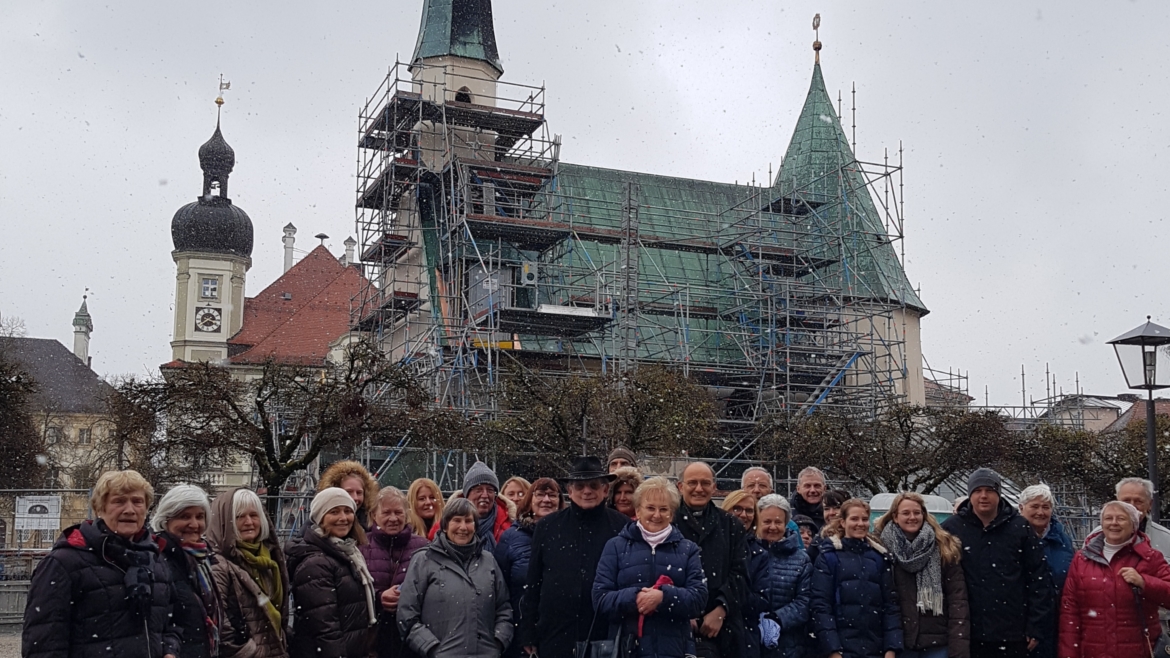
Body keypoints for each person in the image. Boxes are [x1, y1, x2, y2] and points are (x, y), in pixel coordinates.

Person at [23, 469, 180, 658]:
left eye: (137, 501)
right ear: (100, 508)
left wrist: (170, 650)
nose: (129, 510)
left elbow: (172, 621)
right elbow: (44, 643)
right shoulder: (64, 563)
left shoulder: (156, 559)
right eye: (119, 501)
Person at [521, 456, 630, 658]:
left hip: (604, 634)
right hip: (556, 634)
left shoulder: (622, 527)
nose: (586, 491)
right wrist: (528, 630)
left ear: (605, 490)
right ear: (569, 491)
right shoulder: (547, 527)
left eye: (593, 485)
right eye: (579, 486)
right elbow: (534, 581)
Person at [942, 468, 1052, 658]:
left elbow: (1038, 579)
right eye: (977, 491)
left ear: (998, 494)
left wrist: (1035, 625)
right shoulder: (952, 528)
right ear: (970, 495)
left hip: (1012, 633)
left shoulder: (1019, 528)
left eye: (989, 490)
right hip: (968, 633)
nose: (983, 496)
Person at [594, 477, 708, 658]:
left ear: (671, 514)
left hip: (675, 650)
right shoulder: (615, 546)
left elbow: (699, 600)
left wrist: (663, 597)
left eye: (664, 509)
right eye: (650, 508)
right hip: (627, 649)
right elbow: (600, 599)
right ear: (638, 511)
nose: (657, 515)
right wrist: (635, 598)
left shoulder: (688, 549)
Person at [397, 497, 513, 658]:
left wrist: (499, 642)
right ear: (445, 526)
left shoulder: (488, 561)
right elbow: (407, 614)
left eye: (468, 521)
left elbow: (504, 608)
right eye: (456, 520)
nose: (463, 527)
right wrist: (431, 648)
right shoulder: (424, 560)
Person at [1059, 500, 1170, 658]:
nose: (1114, 523)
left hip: (1138, 651)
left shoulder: (1150, 558)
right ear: (1101, 523)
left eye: (1121, 518)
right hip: (1093, 652)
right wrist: (1068, 653)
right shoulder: (1082, 559)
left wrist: (1145, 583)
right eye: (1108, 518)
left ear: (1133, 525)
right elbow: (1070, 611)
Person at [285, 487, 377, 658]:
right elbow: (325, 630)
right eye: (334, 512)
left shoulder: (347, 553)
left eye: (348, 511)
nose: (343, 518)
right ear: (320, 517)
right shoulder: (317, 564)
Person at [874, 492, 969, 658]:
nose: (912, 517)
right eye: (906, 513)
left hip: (938, 640)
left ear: (924, 515)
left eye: (917, 512)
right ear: (895, 517)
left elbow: (957, 599)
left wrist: (958, 645)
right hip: (899, 641)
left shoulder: (944, 547)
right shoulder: (880, 548)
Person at [675, 461, 752, 658]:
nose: (699, 489)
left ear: (714, 487)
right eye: (692, 483)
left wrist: (721, 609)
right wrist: (682, 610)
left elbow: (741, 573)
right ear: (680, 486)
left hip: (724, 628)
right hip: (676, 625)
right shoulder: (668, 521)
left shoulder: (731, 524)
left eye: (705, 483)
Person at [809, 498, 902, 658]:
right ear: (843, 522)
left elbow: (890, 606)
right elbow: (821, 606)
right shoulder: (829, 557)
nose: (860, 523)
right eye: (854, 519)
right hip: (841, 648)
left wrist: (891, 648)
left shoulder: (879, 558)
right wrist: (833, 650)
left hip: (875, 648)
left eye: (864, 519)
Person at [207, 487, 290, 658]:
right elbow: (220, 626)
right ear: (225, 522)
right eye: (239, 516)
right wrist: (248, 652)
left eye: (254, 515)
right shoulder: (218, 565)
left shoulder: (269, 559)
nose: (249, 522)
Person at [494, 478, 564, 658]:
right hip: (520, 628)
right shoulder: (511, 537)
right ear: (530, 500)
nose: (546, 500)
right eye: (540, 494)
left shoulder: (569, 535)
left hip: (560, 629)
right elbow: (500, 586)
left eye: (552, 495)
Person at [152, 484, 223, 658]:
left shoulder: (204, 558)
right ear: (166, 519)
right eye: (184, 516)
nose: (194, 524)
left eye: (200, 516)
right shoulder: (157, 559)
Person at [361, 487, 428, 658]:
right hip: (372, 638)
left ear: (407, 515)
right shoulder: (360, 547)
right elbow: (350, 592)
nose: (393, 518)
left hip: (412, 639)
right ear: (374, 515)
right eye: (386, 513)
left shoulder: (424, 547)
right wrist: (378, 597)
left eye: (398, 512)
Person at [746, 494, 811, 658]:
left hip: (789, 645)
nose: (773, 527)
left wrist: (777, 618)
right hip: (749, 640)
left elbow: (806, 600)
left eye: (778, 522)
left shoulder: (801, 559)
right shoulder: (745, 552)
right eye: (767, 522)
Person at [1017, 484, 1074, 658]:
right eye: (1034, 506)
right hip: (1022, 623)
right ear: (1021, 508)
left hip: (1057, 621)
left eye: (1045, 507)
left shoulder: (1062, 540)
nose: (1040, 512)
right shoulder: (1012, 538)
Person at [445, 461, 514, 549]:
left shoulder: (509, 526)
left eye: (490, 490)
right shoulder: (446, 523)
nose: (485, 495)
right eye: (478, 490)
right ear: (467, 495)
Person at [1115, 477, 1170, 562]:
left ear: (1150, 504)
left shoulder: (1166, 539)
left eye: (1138, 501)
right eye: (1126, 501)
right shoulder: (1097, 537)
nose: (1132, 506)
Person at [318, 460, 379, 530]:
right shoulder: (315, 528)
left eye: (359, 493)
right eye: (348, 492)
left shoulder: (373, 524)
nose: (355, 497)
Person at [791, 467, 826, 532]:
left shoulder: (833, 516)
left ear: (824, 489)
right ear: (798, 489)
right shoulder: (789, 518)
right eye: (807, 486)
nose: (812, 490)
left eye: (817, 486)